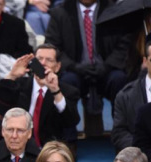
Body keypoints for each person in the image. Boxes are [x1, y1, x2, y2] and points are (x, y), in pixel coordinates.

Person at [45, 0, 130, 136]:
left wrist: (107, 65)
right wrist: (74, 66)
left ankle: (122, 137)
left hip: (108, 70)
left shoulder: (115, 10)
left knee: (119, 80)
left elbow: (125, 43)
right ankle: (69, 140)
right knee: (65, 82)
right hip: (74, 71)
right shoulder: (60, 12)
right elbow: (53, 45)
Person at [0, 44, 81, 150]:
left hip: (49, 150)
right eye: (39, 59)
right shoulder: (18, 86)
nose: (43, 63)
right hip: (17, 147)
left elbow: (71, 121)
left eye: (49, 60)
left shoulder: (66, 91)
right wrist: (12, 76)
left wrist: (55, 91)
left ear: (57, 67)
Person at [112, 40, 151, 153]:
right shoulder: (125, 96)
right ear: (145, 61)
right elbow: (119, 132)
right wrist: (141, 149)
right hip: (139, 160)